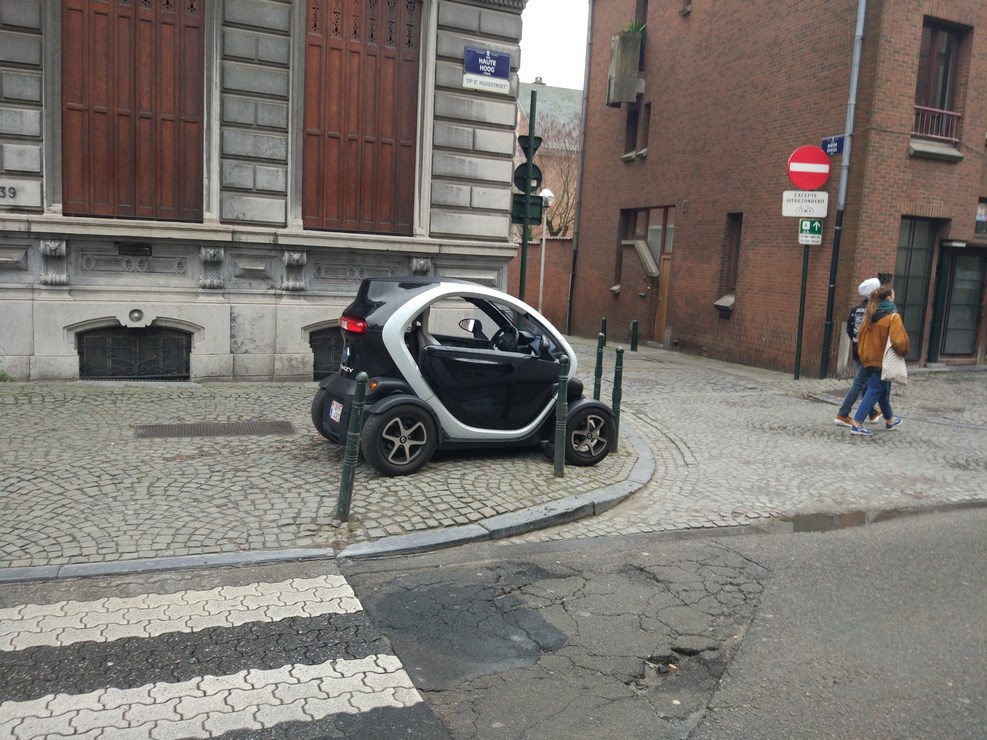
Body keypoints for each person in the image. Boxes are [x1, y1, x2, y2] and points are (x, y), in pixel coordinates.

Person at [850, 285, 909, 436]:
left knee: (882, 389)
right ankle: (857, 423)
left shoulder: (870, 313)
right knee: (875, 390)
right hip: (883, 359)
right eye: (893, 295)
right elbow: (899, 341)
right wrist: (903, 352)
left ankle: (890, 420)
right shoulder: (893, 316)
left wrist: (863, 354)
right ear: (889, 298)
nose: (894, 297)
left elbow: (860, 336)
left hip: (868, 357)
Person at [834, 277, 883, 427]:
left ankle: (872, 411)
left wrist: (856, 342)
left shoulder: (855, 310)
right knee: (859, 383)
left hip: (857, 349)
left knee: (863, 381)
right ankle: (843, 413)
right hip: (868, 352)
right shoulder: (874, 311)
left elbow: (850, 329)